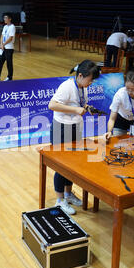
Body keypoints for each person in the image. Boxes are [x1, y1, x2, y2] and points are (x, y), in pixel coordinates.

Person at [47, 60, 100, 215]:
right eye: (90, 79)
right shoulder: (67, 86)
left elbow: (81, 104)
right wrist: (75, 110)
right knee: (61, 165)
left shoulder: (82, 86)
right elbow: (52, 105)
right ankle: (59, 200)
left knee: (72, 164)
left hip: (75, 127)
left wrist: (86, 108)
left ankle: (68, 194)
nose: (91, 83)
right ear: (81, 75)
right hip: (61, 128)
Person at [0, 13, 16, 81]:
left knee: (9, 63)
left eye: (6, 18)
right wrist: (1, 44)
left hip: (9, 48)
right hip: (2, 48)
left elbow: (11, 38)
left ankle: (9, 77)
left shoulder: (12, 27)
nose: (4, 19)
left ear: (10, 19)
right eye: (4, 18)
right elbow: (2, 36)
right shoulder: (5, 27)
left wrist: (3, 44)